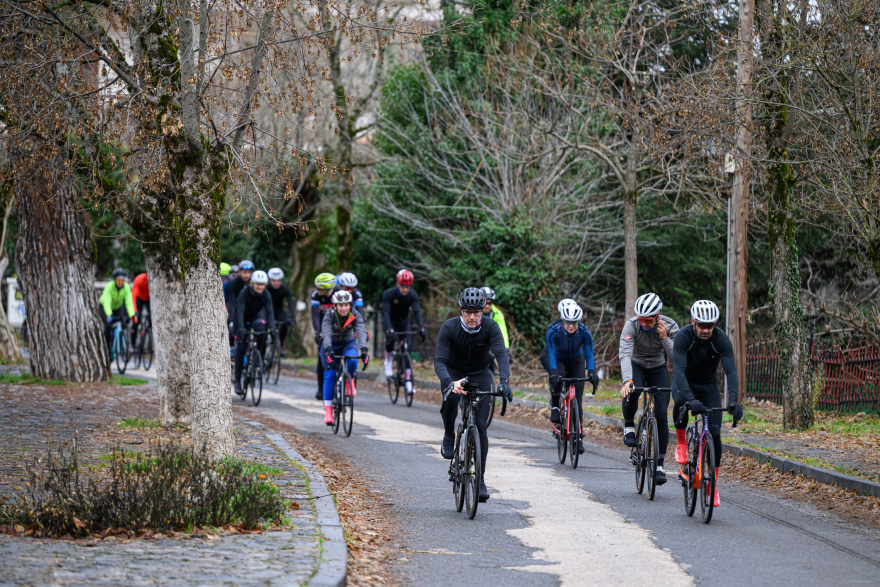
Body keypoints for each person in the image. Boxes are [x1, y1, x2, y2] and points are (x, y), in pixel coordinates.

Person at [436, 287, 512, 503]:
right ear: (461, 311)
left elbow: (501, 355)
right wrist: (449, 382)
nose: (472, 317)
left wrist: (504, 381)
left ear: (482, 311)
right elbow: (439, 361)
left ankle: (480, 479)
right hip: (454, 372)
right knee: (451, 398)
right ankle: (449, 433)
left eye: (476, 312)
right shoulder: (449, 327)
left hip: (479, 373)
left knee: (480, 426)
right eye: (468, 312)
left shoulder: (491, 326)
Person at [672, 300, 741, 507]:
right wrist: (690, 399)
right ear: (693, 322)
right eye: (701, 325)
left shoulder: (721, 339)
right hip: (685, 380)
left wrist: (733, 401)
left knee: (716, 434)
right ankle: (681, 442)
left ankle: (712, 485)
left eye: (709, 326)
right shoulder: (684, 336)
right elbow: (679, 371)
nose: (705, 330)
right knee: (680, 402)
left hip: (708, 384)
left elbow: (731, 372)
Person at [618, 292, 680, 486]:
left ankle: (659, 465)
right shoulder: (631, 325)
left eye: (649, 320)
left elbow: (678, 359)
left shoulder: (670, 325)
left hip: (658, 367)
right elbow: (625, 354)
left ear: (657, 315)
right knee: (632, 389)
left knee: (661, 413)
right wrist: (627, 380)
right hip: (636, 364)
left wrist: (665, 338)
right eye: (641, 319)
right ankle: (629, 425)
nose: (644, 323)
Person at [540, 299, 598, 455]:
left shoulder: (585, 333)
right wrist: (553, 373)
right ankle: (555, 405)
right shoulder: (554, 331)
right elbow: (551, 354)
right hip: (559, 359)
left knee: (577, 398)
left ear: (579, 321)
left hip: (576, 361)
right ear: (562, 320)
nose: (571, 326)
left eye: (574, 323)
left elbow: (589, 354)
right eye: (568, 323)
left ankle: (578, 437)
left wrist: (591, 372)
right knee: (558, 377)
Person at [320, 290, 369, 424]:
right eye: (340, 305)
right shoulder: (329, 315)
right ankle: (328, 411)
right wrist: (328, 350)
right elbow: (326, 334)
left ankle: (348, 379)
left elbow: (361, 330)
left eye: (346, 305)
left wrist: (364, 350)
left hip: (348, 342)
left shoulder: (355, 314)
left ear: (350, 305)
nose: (344, 308)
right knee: (330, 375)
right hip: (330, 345)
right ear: (335, 306)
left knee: (352, 360)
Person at [382, 269, 427, 393]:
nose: (405, 289)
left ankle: (408, 381)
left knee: (407, 347)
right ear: (397, 284)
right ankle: (388, 361)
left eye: (407, 286)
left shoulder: (412, 295)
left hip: (404, 321)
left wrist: (421, 327)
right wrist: (388, 329)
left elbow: (417, 311)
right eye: (402, 286)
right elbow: (385, 313)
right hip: (391, 320)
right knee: (391, 338)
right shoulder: (388, 294)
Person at [233, 270, 277, 397]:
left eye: (262, 284)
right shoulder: (244, 292)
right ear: (252, 283)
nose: (260, 287)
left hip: (255, 317)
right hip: (241, 318)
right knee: (241, 346)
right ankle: (237, 380)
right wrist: (241, 328)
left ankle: (257, 358)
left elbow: (269, 313)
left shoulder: (266, 294)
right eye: (257, 284)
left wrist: (272, 328)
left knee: (262, 329)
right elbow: (240, 311)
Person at [311, 272, 341, 400]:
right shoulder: (316, 295)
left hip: (338, 325)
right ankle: (320, 388)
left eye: (319, 288)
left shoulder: (339, 293)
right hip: (323, 326)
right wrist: (317, 331)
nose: (317, 290)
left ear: (328, 289)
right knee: (322, 356)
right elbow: (315, 314)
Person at [100, 268, 135, 350]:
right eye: (118, 280)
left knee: (122, 322)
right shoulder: (109, 287)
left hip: (118, 307)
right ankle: (107, 345)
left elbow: (129, 302)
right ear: (115, 280)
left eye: (122, 280)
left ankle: (120, 344)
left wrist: (132, 314)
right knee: (108, 325)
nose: (120, 282)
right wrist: (109, 314)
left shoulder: (126, 288)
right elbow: (107, 302)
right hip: (105, 307)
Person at [267, 267, 295, 357]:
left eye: (278, 280)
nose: (276, 283)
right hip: (267, 310)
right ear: (270, 280)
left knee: (285, 322)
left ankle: (281, 345)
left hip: (278, 310)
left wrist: (290, 317)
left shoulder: (284, 289)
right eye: (273, 281)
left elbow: (290, 303)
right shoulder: (266, 288)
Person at [226, 260, 254, 345]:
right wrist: (232, 319)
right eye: (244, 272)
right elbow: (232, 303)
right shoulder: (233, 284)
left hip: (250, 312)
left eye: (249, 272)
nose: (246, 275)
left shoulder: (253, 284)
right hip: (237, 311)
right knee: (232, 329)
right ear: (239, 272)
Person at [131, 272, 150, 340]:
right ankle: (133, 342)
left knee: (151, 317)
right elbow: (133, 296)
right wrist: (135, 312)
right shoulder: (139, 279)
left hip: (149, 298)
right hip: (139, 298)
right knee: (136, 319)